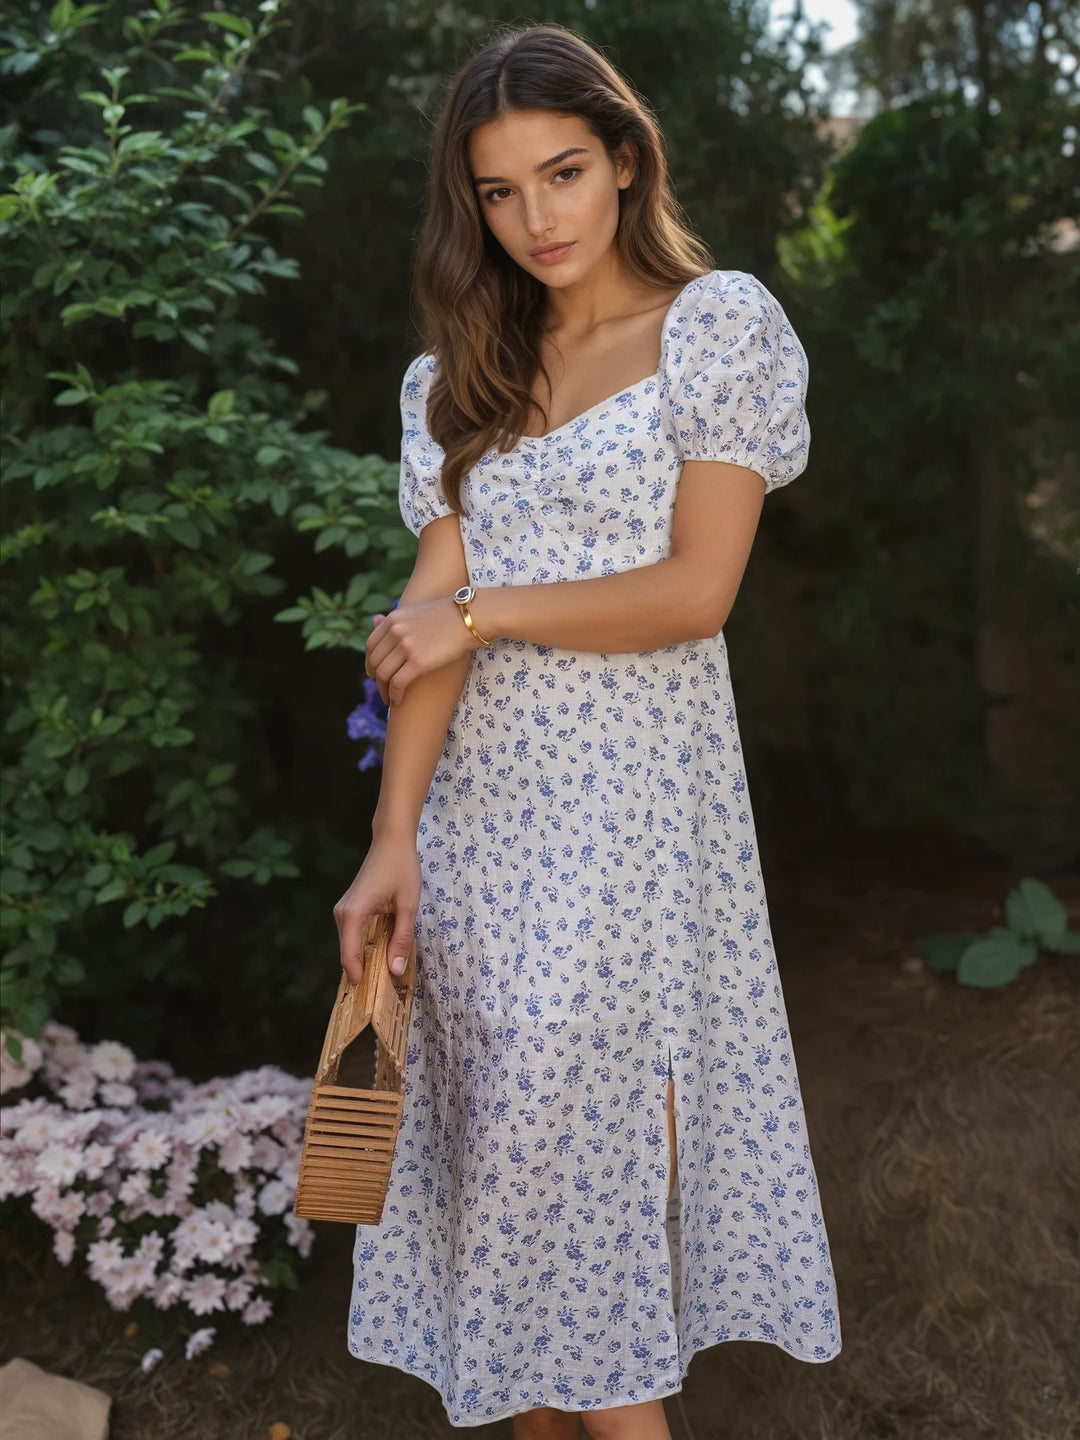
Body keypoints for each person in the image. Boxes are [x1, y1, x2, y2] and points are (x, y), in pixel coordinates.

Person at [333, 20, 841, 1437]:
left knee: (587, 1200)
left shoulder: (713, 327)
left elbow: (696, 592)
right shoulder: (453, 381)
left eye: (563, 173)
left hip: (628, 832)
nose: (537, 218)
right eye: (501, 192)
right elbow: (421, 638)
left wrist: (483, 610)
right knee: (514, 1206)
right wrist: (391, 845)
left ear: (625, 161)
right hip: (476, 838)